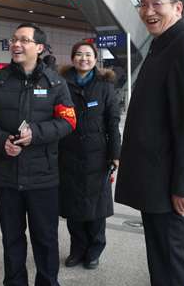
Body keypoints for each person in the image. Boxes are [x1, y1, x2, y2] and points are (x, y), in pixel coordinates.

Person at [115, 0, 184, 286]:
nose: (148, 11)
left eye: (157, 4)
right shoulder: (163, 44)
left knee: (169, 261)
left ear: (178, 7)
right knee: (164, 258)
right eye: (143, 5)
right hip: (156, 179)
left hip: (168, 182)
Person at [0, 22, 76, 286]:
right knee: (11, 237)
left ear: (39, 47)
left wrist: (36, 134)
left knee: (45, 237)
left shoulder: (55, 83)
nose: (16, 44)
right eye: (14, 39)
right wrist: (1, 140)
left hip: (43, 176)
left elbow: (68, 121)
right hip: (6, 175)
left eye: (24, 40)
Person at [58, 41, 121, 270]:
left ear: (95, 59)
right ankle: (77, 249)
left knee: (96, 206)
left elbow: (113, 122)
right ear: (72, 58)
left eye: (88, 55)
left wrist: (115, 153)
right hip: (68, 152)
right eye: (78, 54)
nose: (83, 59)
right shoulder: (61, 84)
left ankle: (95, 249)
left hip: (97, 155)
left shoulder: (105, 86)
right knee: (73, 205)